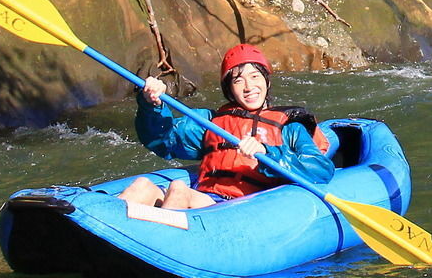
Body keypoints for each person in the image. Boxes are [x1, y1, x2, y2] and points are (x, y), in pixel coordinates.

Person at [119, 43, 332, 211]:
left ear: (267, 82)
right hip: (206, 198)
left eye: (255, 77)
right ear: (230, 89)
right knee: (142, 186)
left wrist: (268, 153)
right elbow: (161, 140)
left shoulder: (290, 127)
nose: (249, 87)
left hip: (241, 207)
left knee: (178, 189)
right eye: (238, 81)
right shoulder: (210, 122)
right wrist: (152, 105)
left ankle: (156, 250)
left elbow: (320, 170)